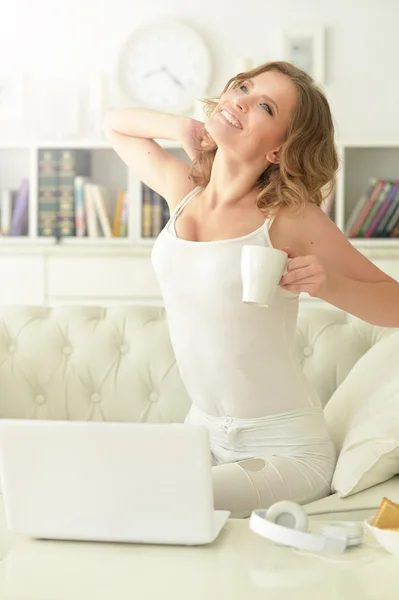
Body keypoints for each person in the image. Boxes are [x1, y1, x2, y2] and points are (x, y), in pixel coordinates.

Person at [104, 61, 399, 517]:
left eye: (263, 105)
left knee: (146, 501)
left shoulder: (289, 217)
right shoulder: (184, 188)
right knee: (105, 484)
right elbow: (116, 124)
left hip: (285, 451)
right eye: (242, 86)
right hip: (201, 433)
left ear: (280, 150)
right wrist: (182, 126)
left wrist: (328, 283)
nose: (239, 99)